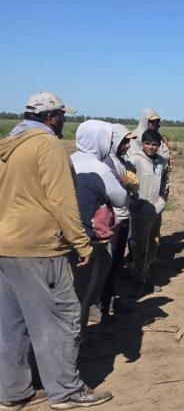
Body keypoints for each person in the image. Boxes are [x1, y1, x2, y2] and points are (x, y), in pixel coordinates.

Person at [0, 92, 113, 411]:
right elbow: (62, 199)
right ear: (51, 117)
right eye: (63, 116)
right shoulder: (47, 145)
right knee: (60, 318)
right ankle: (66, 390)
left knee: (11, 324)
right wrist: (81, 242)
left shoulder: (8, 146)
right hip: (39, 246)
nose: (64, 121)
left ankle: (12, 392)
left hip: (6, 245)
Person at [70, 120, 129, 335]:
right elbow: (121, 198)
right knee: (87, 289)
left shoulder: (68, 160)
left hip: (67, 234)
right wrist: (124, 183)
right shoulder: (100, 169)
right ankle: (78, 337)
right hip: (93, 237)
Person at [99, 124, 139, 319]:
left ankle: (110, 302)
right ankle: (101, 307)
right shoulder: (107, 162)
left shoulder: (120, 160)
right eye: (124, 142)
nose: (127, 146)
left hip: (123, 217)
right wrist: (126, 183)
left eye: (128, 142)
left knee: (115, 264)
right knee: (107, 265)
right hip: (112, 220)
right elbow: (114, 188)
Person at [129, 129, 169, 296]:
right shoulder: (135, 160)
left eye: (154, 144)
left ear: (159, 145)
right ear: (142, 144)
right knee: (140, 247)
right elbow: (128, 183)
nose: (151, 147)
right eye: (147, 143)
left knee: (153, 243)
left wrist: (162, 202)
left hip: (155, 210)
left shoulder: (162, 162)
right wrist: (134, 204)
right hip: (139, 212)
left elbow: (165, 183)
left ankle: (146, 275)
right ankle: (139, 282)